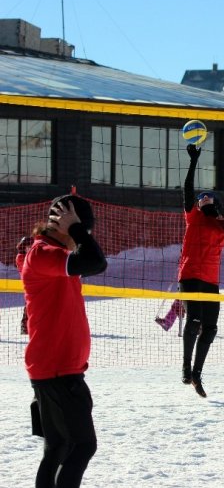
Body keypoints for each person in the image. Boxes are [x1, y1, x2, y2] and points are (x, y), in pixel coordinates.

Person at [20, 194, 108, 488]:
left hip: (56, 369)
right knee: (83, 446)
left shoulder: (49, 252)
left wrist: (75, 230)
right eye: (85, 229)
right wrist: (76, 228)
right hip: (58, 371)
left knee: (58, 447)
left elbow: (88, 259)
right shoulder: (44, 253)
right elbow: (96, 261)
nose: (87, 236)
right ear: (64, 225)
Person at [179, 144, 224, 398]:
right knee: (193, 321)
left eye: (207, 197)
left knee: (210, 329)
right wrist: (194, 161)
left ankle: (197, 374)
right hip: (190, 275)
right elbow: (188, 190)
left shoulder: (221, 224)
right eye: (201, 198)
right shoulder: (193, 216)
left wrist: (219, 209)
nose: (202, 199)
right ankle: (185, 366)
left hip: (211, 280)